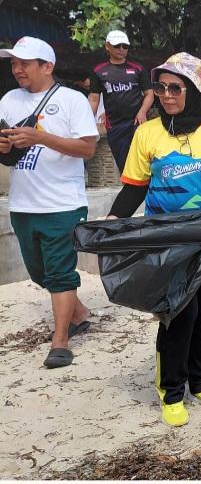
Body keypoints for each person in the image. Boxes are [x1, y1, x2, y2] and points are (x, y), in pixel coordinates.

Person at [106, 52, 201, 427]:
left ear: (195, 90)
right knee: (178, 315)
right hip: (168, 242)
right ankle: (172, 392)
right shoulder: (147, 133)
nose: (166, 95)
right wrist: (112, 222)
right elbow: (134, 188)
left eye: (176, 88)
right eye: (160, 87)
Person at [0, 37, 98, 369]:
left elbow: (87, 148)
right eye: (13, 63)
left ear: (47, 66)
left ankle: (61, 342)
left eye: (24, 63)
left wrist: (40, 137)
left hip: (62, 204)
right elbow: (6, 150)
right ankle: (79, 313)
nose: (17, 69)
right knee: (39, 272)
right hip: (22, 204)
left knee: (59, 272)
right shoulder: (9, 100)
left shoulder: (72, 100)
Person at [88, 30, 153, 171]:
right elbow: (94, 98)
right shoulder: (99, 71)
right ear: (107, 46)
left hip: (137, 122)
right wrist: (86, 121)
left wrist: (142, 112)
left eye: (125, 46)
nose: (122, 49)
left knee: (143, 162)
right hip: (114, 125)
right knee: (123, 165)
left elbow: (150, 94)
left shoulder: (138, 68)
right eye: (117, 46)